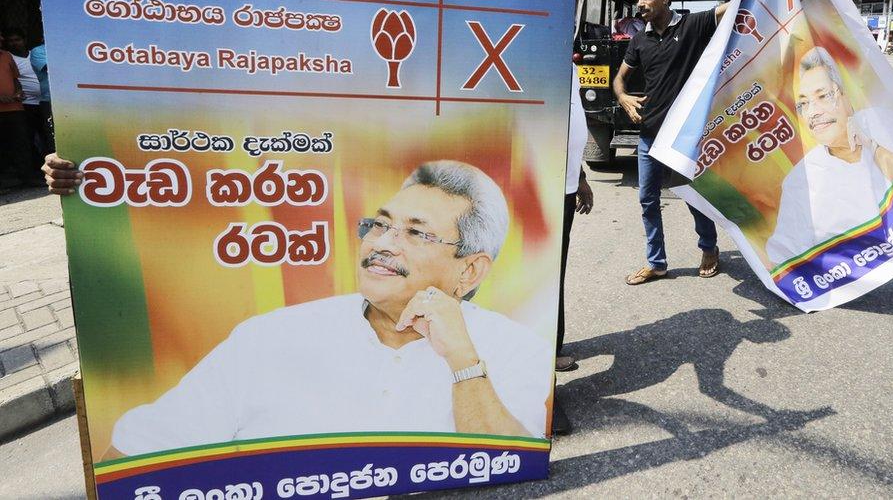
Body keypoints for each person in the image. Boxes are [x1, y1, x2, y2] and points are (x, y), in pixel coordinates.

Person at [96, 161, 552, 458]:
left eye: (416, 233)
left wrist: (462, 362)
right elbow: (135, 455)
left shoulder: (511, 348)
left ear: (469, 272)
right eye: (380, 224)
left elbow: (507, 463)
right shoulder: (272, 337)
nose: (382, 244)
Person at [613, 0, 729, 285]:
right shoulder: (639, 40)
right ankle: (657, 263)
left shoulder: (694, 25)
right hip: (650, 136)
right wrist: (623, 98)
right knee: (647, 200)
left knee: (693, 197)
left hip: (684, 138)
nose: (640, 3)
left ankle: (709, 248)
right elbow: (619, 79)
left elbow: (735, 6)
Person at [765, 47, 893, 265]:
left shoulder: (881, 123)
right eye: (803, 103)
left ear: (845, 96)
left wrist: (872, 146)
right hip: (843, 279)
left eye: (823, 96)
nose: (813, 112)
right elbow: (785, 255)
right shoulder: (798, 180)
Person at [0, 28, 39, 187]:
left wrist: (18, 91)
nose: (2, 38)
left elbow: (15, 78)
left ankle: (27, 178)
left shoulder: (7, 56)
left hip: (15, 108)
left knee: (22, 144)